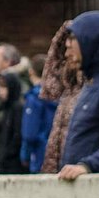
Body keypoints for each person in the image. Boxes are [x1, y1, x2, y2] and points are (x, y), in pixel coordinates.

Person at [55, 11, 99, 180]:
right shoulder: (93, 83)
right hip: (82, 193)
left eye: (73, 41)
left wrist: (87, 165)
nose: (66, 53)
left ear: (92, 42)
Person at [39, 22, 85, 174]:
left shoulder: (93, 87)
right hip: (60, 171)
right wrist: (62, 35)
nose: (66, 54)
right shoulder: (68, 89)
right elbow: (49, 87)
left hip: (82, 173)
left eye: (72, 46)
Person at [20, 54, 57, 173]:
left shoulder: (34, 98)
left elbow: (29, 132)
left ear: (31, 72)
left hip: (38, 155)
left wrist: (25, 156)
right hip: (57, 154)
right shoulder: (59, 95)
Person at [0, 71, 27, 173]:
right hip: (4, 162)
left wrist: (7, 154)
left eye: (4, 87)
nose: (0, 91)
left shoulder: (17, 108)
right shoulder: (6, 108)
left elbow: (17, 136)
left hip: (13, 164)